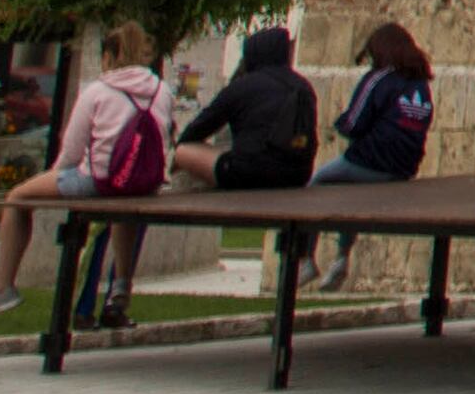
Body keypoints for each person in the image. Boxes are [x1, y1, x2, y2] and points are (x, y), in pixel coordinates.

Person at [0, 22, 168, 324]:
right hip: (142, 182)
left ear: (109, 55)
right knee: (125, 205)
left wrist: (53, 179)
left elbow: (71, 152)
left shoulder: (98, 90)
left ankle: (2, 287)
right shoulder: (161, 90)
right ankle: (121, 285)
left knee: (17, 198)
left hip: (98, 179)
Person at [310, 20, 435, 290]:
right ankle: (341, 259)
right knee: (352, 199)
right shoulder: (420, 85)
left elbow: (354, 123)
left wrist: (340, 125)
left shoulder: (379, 79)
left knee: (316, 184)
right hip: (403, 169)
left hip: (369, 161)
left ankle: (305, 259)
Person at [176, 25, 319, 192]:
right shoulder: (304, 87)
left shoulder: (242, 86)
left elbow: (197, 130)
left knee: (183, 151)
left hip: (250, 175)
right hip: (298, 174)